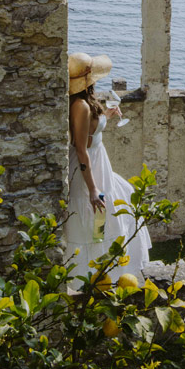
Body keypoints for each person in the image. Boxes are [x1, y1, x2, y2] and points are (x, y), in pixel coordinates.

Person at [65, 52, 151, 285]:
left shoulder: (85, 103)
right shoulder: (80, 105)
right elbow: (82, 148)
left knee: (103, 215)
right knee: (96, 213)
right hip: (88, 169)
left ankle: (103, 269)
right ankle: (92, 274)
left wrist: (106, 116)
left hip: (98, 164)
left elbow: (91, 133)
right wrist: (92, 188)